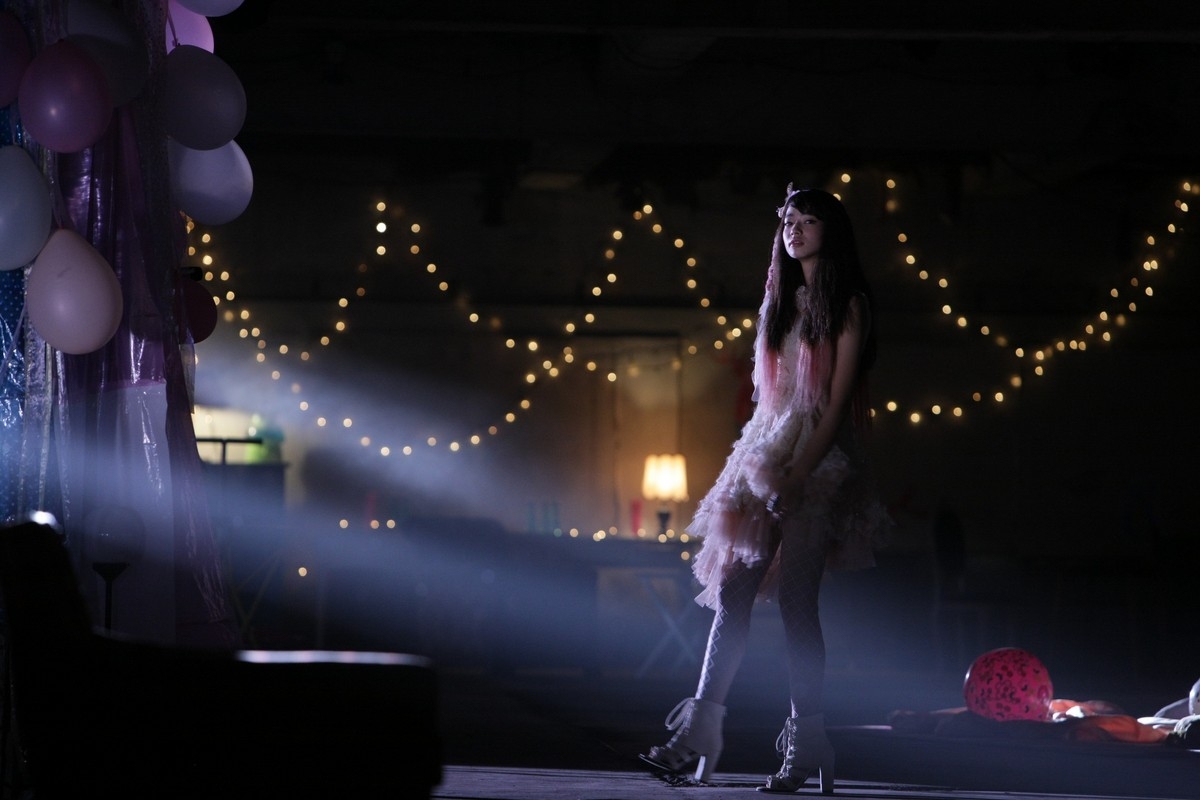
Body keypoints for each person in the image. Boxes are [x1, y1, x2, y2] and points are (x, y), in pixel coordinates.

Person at [640, 185, 892, 792]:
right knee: (732, 593)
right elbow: (770, 399)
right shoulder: (779, 302)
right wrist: (763, 464)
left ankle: (808, 742)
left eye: (808, 221)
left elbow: (834, 405)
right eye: (788, 220)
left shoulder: (849, 305)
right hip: (766, 443)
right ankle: (699, 731)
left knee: (799, 602)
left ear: (831, 231)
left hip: (818, 454)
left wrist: (798, 473)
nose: (794, 230)